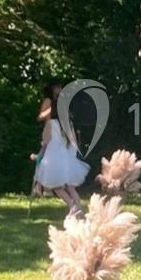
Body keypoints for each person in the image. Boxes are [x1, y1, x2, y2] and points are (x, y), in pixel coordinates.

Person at [33, 83, 88, 218]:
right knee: (70, 186)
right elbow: (73, 142)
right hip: (65, 155)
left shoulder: (51, 124)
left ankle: (73, 207)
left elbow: (45, 143)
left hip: (54, 157)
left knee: (56, 186)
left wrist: (38, 155)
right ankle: (80, 211)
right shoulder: (66, 125)